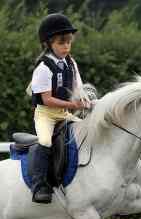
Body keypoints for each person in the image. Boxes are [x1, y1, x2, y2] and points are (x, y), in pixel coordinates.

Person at [28, 13, 89, 204]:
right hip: (46, 114)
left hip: (64, 114)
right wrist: (73, 105)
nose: (66, 47)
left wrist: (88, 102)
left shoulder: (71, 64)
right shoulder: (44, 68)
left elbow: (79, 89)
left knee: (87, 131)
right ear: (49, 44)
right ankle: (40, 186)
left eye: (69, 42)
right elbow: (46, 100)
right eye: (61, 43)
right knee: (45, 141)